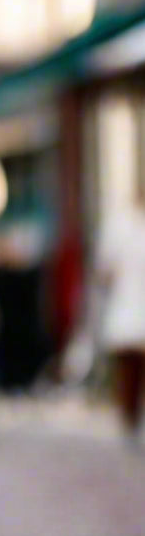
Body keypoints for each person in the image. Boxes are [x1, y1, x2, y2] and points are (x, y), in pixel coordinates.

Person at [94, 188, 145, 447]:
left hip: (127, 311)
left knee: (129, 373)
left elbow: (104, 271)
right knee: (129, 372)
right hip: (128, 310)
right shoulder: (120, 225)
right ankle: (130, 423)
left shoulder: (118, 226)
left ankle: (130, 423)